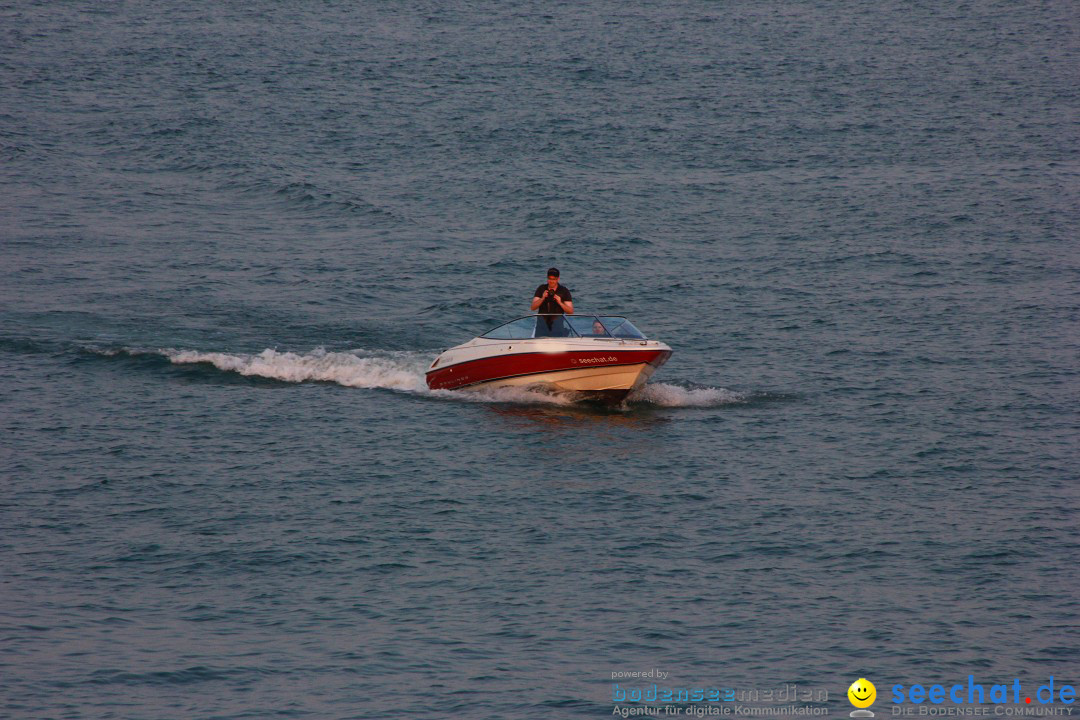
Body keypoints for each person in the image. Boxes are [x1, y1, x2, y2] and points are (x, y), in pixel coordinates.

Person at [531, 267, 573, 336]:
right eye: (550, 279)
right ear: (547, 278)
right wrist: (542, 298)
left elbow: (570, 311)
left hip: (557, 328)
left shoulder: (564, 291)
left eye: (554, 279)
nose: (551, 281)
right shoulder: (541, 288)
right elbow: (533, 307)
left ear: (558, 279)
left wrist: (560, 302)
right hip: (541, 327)